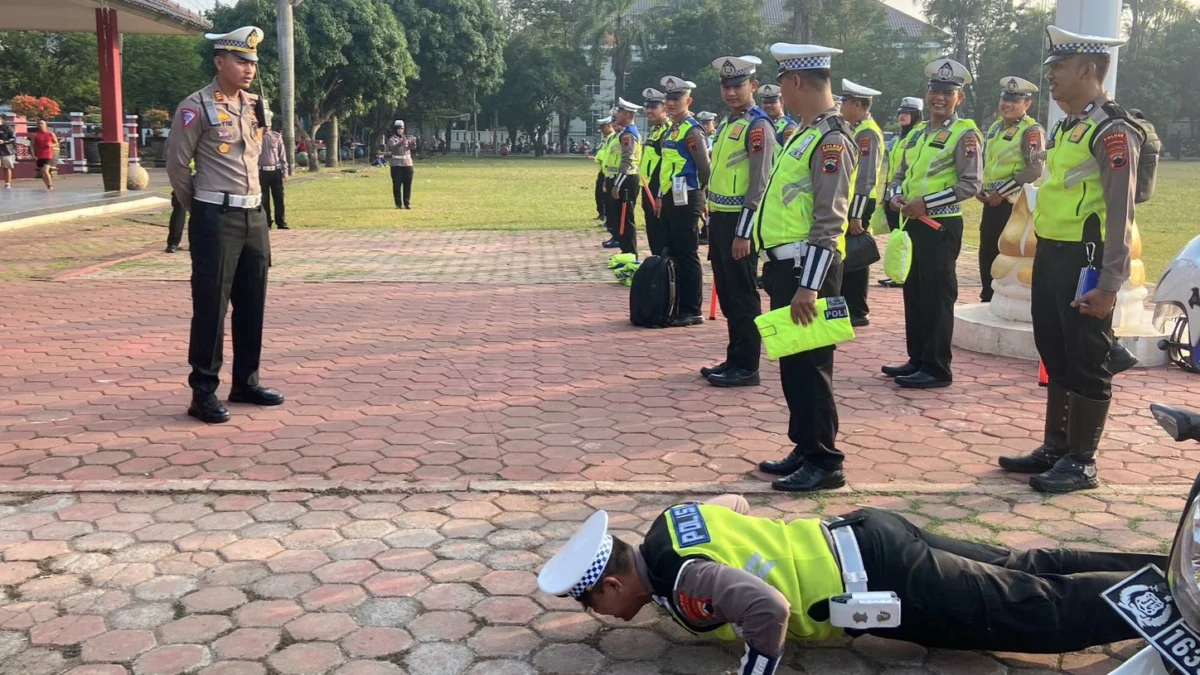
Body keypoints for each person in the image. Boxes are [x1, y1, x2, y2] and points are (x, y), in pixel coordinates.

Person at [537, 495, 1168, 675]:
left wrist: (756, 670)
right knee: (1025, 564)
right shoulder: (669, 525)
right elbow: (734, 504)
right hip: (865, 531)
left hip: (885, 578)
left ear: (616, 583)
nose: (600, 615)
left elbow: (768, 607)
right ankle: (1174, 562)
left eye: (594, 602)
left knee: (1032, 612)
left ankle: (1174, 600)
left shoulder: (682, 579)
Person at [999, 27, 1142, 494]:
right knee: (1054, 347)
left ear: (1087, 69)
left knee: (1088, 357)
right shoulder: (1068, 124)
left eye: (1059, 68)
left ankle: (1082, 462)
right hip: (1054, 253)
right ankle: (1056, 445)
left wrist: (1110, 283)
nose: (1052, 78)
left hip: (1088, 259)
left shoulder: (1112, 129)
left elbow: (1121, 211)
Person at [166, 26, 284, 425]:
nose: (249, 68)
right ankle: (203, 392)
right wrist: (200, 208)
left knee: (253, 303)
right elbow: (177, 166)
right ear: (220, 62)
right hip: (215, 216)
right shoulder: (195, 106)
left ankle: (245, 383)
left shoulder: (255, 106)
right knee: (211, 307)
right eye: (240, 60)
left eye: (252, 61)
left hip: (254, 215)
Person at [752, 43, 856, 492]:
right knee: (794, 368)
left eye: (782, 85)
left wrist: (808, 288)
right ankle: (805, 445)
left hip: (808, 273)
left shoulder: (832, 139)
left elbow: (829, 222)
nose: (780, 94)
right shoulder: (806, 132)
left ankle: (825, 461)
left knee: (812, 369)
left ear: (796, 82)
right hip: (788, 269)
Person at [883, 58, 983, 390]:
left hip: (940, 226)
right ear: (927, 93)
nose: (939, 98)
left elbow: (971, 184)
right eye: (935, 91)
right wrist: (896, 196)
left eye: (948, 93)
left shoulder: (964, 134)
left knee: (938, 295)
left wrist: (926, 202)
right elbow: (901, 174)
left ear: (960, 99)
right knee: (915, 292)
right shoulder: (917, 134)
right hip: (912, 223)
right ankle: (918, 358)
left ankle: (938, 366)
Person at [703, 55, 773, 389]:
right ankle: (734, 357)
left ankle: (747, 366)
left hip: (739, 224)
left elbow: (759, 184)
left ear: (753, 86)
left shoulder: (758, 125)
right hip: (720, 219)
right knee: (729, 294)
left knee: (743, 296)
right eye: (726, 86)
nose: (731, 92)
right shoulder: (730, 123)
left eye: (738, 86)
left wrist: (744, 232)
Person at [978, 77, 1045, 303]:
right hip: (991, 201)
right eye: (1005, 99)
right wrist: (981, 188)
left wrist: (1001, 193)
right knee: (987, 250)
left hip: (1013, 203)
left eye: (1015, 101)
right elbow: (989, 162)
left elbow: (1035, 168)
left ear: (1027, 104)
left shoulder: (1031, 131)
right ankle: (987, 296)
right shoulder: (996, 127)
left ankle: (1001, 297)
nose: (1007, 104)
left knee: (1006, 252)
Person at [656, 76, 712, 327]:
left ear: (688, 101)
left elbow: (704, 167)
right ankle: (675, 303)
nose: (671, 103)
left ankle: (692, 309)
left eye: (676, 98)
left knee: (687, 254)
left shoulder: (692, 130)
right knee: (673, 251)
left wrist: (697, 193)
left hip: (687, 197)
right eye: (668, 98)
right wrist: (660, 195)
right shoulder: (671, 129)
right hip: (671, 196)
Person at [838, 79, 885, 327]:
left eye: (844, 101)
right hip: (851, 200)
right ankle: (849, 304)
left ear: (857, 104)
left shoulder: (866, 133)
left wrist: (856, 214)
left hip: (859, 202)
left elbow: (866, 176)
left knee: (855, 257)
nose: (841, 105)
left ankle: (857, 309)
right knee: (848, 255)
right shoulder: (855, 128)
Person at [876, 97, 924, 289]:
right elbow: (893, 169)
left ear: (917, 115)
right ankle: (898, 272)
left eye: (908, 113)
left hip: (906, 196)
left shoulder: (917, 136)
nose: (903, 116)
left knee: (907, 238)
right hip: (892, 193)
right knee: (897, 235)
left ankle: (903, 274)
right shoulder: (899, 138)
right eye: (901, 112)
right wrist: (885, 194)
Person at [607, 98, 643, 256]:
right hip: (621, 178)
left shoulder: (629, 134)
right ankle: (625, 251)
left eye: (620, 112)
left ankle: (630, 253)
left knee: (625, 219)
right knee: (619, 217)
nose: (617, 115)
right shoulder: (623, 132)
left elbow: (627, 159)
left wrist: (617, 184)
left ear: (627, 114)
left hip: (626, 179)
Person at [640, 88, 670, 256]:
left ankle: (663, 268)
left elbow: (665, 164)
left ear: (664, 108)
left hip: (658, 189)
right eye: (647, 107)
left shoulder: (666, 131)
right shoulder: (655, 130)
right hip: (647, 186)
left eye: (654, 107)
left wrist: (659, 194)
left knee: (659, 232)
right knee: (651, 229)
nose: (649, 111)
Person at [259, 111, 289, 229]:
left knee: (279, 198)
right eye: (264, 126)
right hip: (261, 171)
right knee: (264, 199)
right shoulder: (255, 138)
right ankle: (267, 223)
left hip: (275, 171)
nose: (266, 128)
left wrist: (285, 172)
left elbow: (282, 156)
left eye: (268, 125)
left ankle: (281, 222)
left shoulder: (276, 137)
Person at [759, 84, 798, 159]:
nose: (768, 105)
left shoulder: (788, 126)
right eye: (765, 102)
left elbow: (790, 156)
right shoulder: (763, 124)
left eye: (772, 102)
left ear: (782, 102)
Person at [388, 120, 417, 210]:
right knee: (397, 185)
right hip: (396, 165)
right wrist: (402, 142)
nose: (400, 130)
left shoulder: (406, 138)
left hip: (407, 164)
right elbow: (394, 147)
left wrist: (413, 143)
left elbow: (411, 148)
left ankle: (407, 203)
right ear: (395, 129)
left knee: (407, 185)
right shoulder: (392, 139)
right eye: (398, 129)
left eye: (402, 129)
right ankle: (398, 204)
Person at [593, 117, 614, 224]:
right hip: (603, 169)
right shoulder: (606, 139)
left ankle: (606, 216)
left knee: (605, 194)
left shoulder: (612, 138)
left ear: (609, 126)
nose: (601, 130)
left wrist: (598, 158)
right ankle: (602, 214)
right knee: (599, 193)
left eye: (603, 127)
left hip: (609, 171)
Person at [31, 120, 59, 190]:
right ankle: (47, 185)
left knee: (45, 170)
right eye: (39, 124)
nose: (40, 125)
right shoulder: (35, 135)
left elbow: (56, 142)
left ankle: (50, 185)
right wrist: (33, 155)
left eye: (42, 124)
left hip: (48, 154)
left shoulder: (50, 134)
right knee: (42, 172)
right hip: (39, 155)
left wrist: (51, 145)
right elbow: (31, 145)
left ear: (45, 125)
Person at [0, 115, 15, 189]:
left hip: (6, 150)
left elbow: (13, 138)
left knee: (6, 167)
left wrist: (4, 141)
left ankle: (7, 183)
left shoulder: (7, 127)